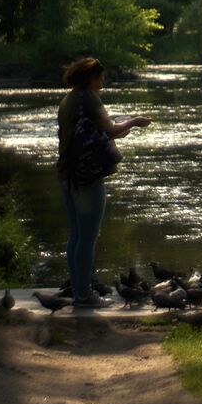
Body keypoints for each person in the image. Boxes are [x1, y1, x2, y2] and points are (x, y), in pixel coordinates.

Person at [56, 57, 151, 307]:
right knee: (88, 236)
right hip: (86, 177)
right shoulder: (88, 98)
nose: (103, 81)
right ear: (91, 78)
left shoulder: (67, 100)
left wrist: (120, 129)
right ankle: (85, 295)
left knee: (76, 235)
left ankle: (78, 290)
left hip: (66, 174)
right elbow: (109, 129)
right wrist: (134, 122)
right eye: (101, 77)